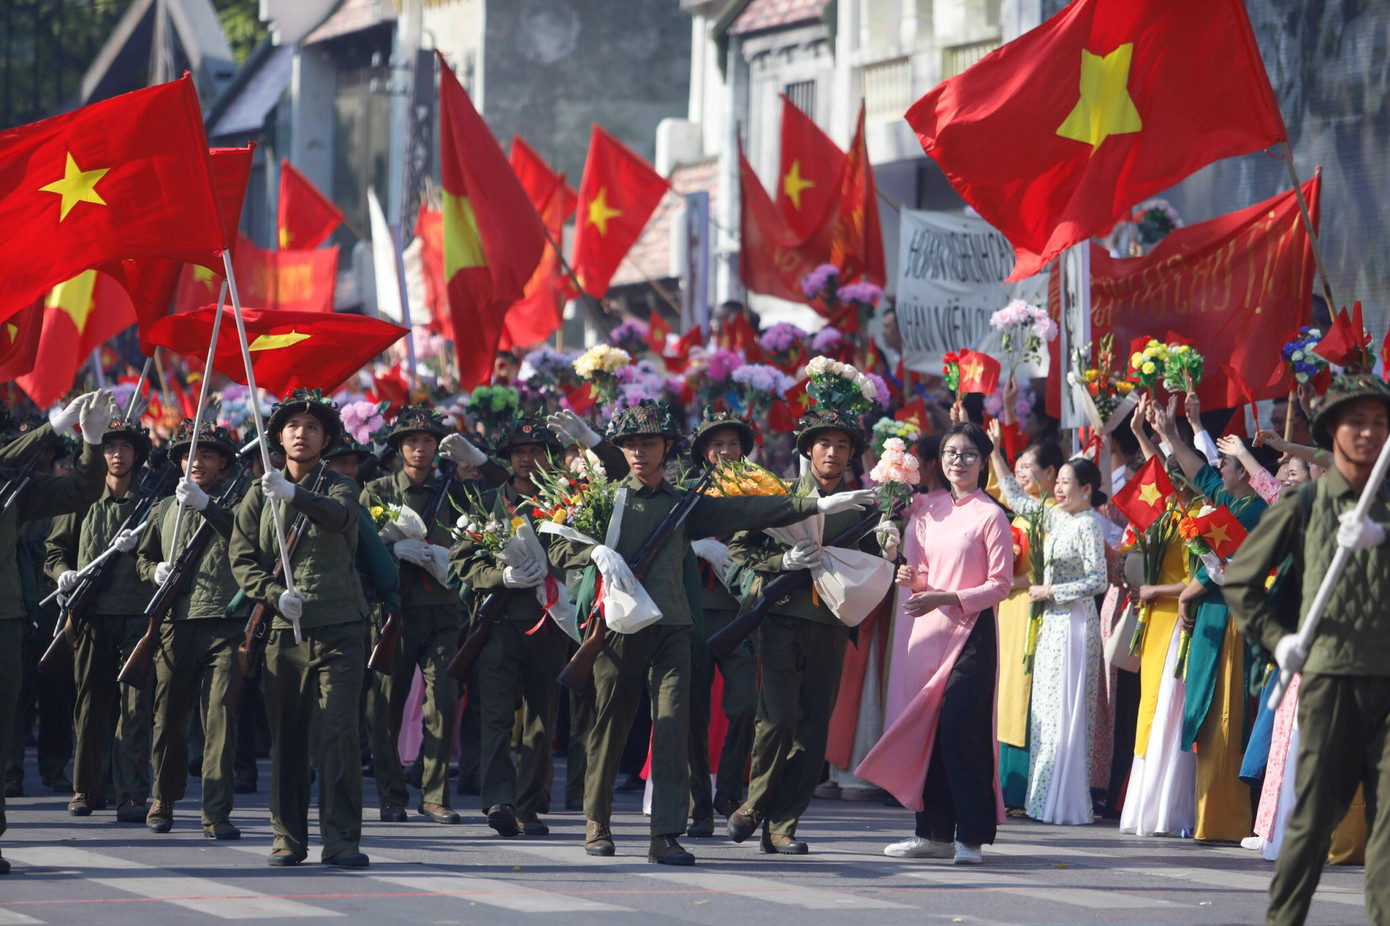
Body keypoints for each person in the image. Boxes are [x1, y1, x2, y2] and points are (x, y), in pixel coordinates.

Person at [546, 400, 870, 866]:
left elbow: (747, 510)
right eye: (630, 444)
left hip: (674, 630)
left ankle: (665, 834)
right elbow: (558, 541)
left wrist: (814, 504)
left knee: (673, 727)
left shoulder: (685, 505)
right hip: (619, 627)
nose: (639, 452)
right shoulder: (606, 496)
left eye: (649, 443)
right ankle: (597, 821)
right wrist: (594, 552)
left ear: (667, 448)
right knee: (611, 724)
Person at [1226, 374, 1390, 926]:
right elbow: (1242, 582)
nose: (1369, 432)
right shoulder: (1307, 503)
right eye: (1356, 421)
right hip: (1331, 681)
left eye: (1380, 422)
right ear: (1332, 431)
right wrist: (1280, 639)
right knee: (1313, 821)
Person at [726, 407, 896, 856]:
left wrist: (888, 546)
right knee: (776, 719)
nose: (833, 453)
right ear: (807, 449)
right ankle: (756, 803)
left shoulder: (863, 504)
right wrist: (782, 562)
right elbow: (741, 546)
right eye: (824, 443)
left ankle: (783, 824)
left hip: (831, 625)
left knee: (813, 727)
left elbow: (869, 564)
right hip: (782, 619)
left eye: (842, 445)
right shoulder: (780, 495)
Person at [859, 422, 1012, 864]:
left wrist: (945, 598)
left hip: (970, 635)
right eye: (950, 453)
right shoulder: (927, 510)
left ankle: (970, 838)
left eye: (968, 454)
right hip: (927, 634)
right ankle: (933, 833)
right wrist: (911, 578)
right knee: (928, 733)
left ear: (983, 462)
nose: (958, 461)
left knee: (963, 732)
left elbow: (1000, 585)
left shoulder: (991, 515)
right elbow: (923, 574)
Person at [229, 389, 370, 868]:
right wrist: (273, 596)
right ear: (278, 437)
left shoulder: (341, 485)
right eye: (292, 426)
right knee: (287, 739)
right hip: (283, 634)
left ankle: (342, 839)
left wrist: (294, 495)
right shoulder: (257, 495)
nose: (301, 434)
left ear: (326, 439)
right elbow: (242, 560)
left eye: (312, 427)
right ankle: (287, 837)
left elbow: (339, 517)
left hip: (340, 627)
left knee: (338, 735)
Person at [0, 391, 112, 874]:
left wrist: (91, 442)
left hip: (4, 617)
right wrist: (53, 427)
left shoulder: (13, 485)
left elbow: (81, 491)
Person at [1154, 397, 1268, 844]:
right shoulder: (1229, 500)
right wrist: (1170, 433)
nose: (1219, 469)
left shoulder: (1257, 509)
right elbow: (1197, 471)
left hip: (1235, 621)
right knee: (1206, 711)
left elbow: (1230, 566)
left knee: (1228, 715)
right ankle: (1208, 815)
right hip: (1212, 617)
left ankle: (1229, 818)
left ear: (1245, 472)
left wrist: (1190, 591)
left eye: (1227, 463)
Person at [452, 416, 571, 838]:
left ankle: (527, 806)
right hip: (498, 624)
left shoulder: (565, 503)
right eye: (520, 451)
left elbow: (580, 552)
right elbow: (463, 561)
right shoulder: (487, 503)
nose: (527, 458)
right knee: (496, 717)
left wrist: (553, 571)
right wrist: (499, 577)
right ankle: (499, 801)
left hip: (549, 624)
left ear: (549, 458)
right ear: (508, 458)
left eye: (536, 450)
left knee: (541, 721)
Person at [362, 404, 477, 826]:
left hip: (443, 612)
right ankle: (392, 795)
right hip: (394, 612)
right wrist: (391, 549)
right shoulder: (377, 491)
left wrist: (478, 460)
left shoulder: (455, 490)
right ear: (398, 447)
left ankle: (434, 795)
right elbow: (356, 543)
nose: (420, 448)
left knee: (443, 701)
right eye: (412, 440)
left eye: (429, 440)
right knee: (386, 708)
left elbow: (490, 511)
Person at [135, 420, 249, 839]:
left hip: (226, 624)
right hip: (174, 625)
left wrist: (206, 506)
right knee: (167, 718)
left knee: (221, 721)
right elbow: (144, 558)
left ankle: (216, 812)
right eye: (189, 455)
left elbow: (248, 539)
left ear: (222, 463)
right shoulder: (164, 507)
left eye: (206, 455)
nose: (196, 462)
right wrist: (154, 571)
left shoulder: (240, 503)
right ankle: (163, 798)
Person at [47, 414, 159, 823]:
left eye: (126, 446)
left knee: (135, 710)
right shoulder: (82, 497)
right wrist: (64, 575)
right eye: (109, 446)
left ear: (137, 454)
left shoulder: (153, 504)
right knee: (90, 706)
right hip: (91, 617)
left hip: (137, 617)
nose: (117, 454)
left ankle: (131, 794)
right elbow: (55, 550)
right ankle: (86, 788)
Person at [993, 438, 1109, 825]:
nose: (1058, 488)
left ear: (1086, 489)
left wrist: (1051, 591)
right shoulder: (1057, 517)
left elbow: (1097, 579)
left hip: (1075, 622)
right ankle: (1043, 801)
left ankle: (1067, 801)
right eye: (1057, 481)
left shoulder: (1089, 524)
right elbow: (1015, 498)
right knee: (1046, 708)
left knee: (1065, 710)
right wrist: (995, 452)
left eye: (1065, 482)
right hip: (1054, 623)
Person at [683, 408, 760, 834]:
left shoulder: (758, 490)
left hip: (740, 613)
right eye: (717, 444)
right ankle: (698, 804)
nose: (726, 451)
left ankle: (728, 789)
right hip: (694, 613)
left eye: (733, 443)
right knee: (693, 711)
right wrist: (694, 545)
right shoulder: (686, 491)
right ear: (703, 452)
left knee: (745, 705)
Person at [989, 439, 1064, 811]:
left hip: (1031, 607)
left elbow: (1049, 569)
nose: (1019, 474)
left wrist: (1010, 582)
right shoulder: (1024, 510)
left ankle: (1019, 786)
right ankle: (1002, 783)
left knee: (1022, 692)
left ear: (1050, 472)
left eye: (1026, 467)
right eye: (1016, 467)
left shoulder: (1051, 512)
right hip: (1009, 609)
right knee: (1005, 690)